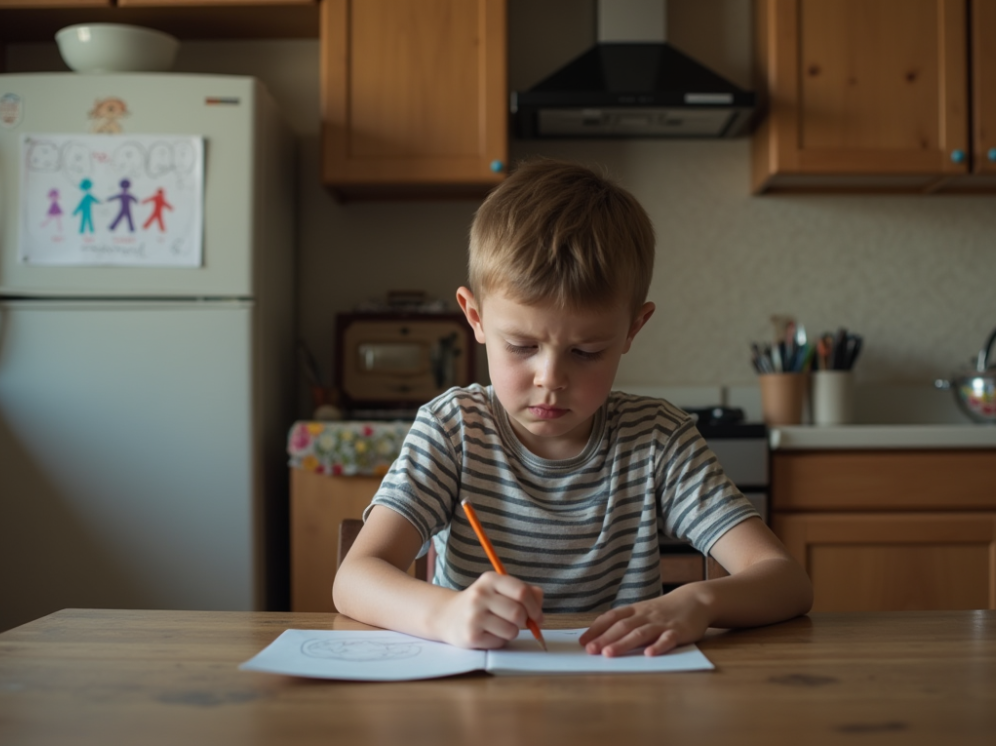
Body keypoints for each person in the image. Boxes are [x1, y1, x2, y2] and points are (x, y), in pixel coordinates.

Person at [333, 158, 813, 657]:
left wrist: (701, 600)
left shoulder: (657, 439)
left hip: (623, 702)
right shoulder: (453, 430)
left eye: (585, 352)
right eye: (521, 346)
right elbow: (354, 579)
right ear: (474, 317)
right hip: (477, 701)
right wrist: (446, 614)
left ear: (632, 329)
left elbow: (787, 581)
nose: (551, 379)